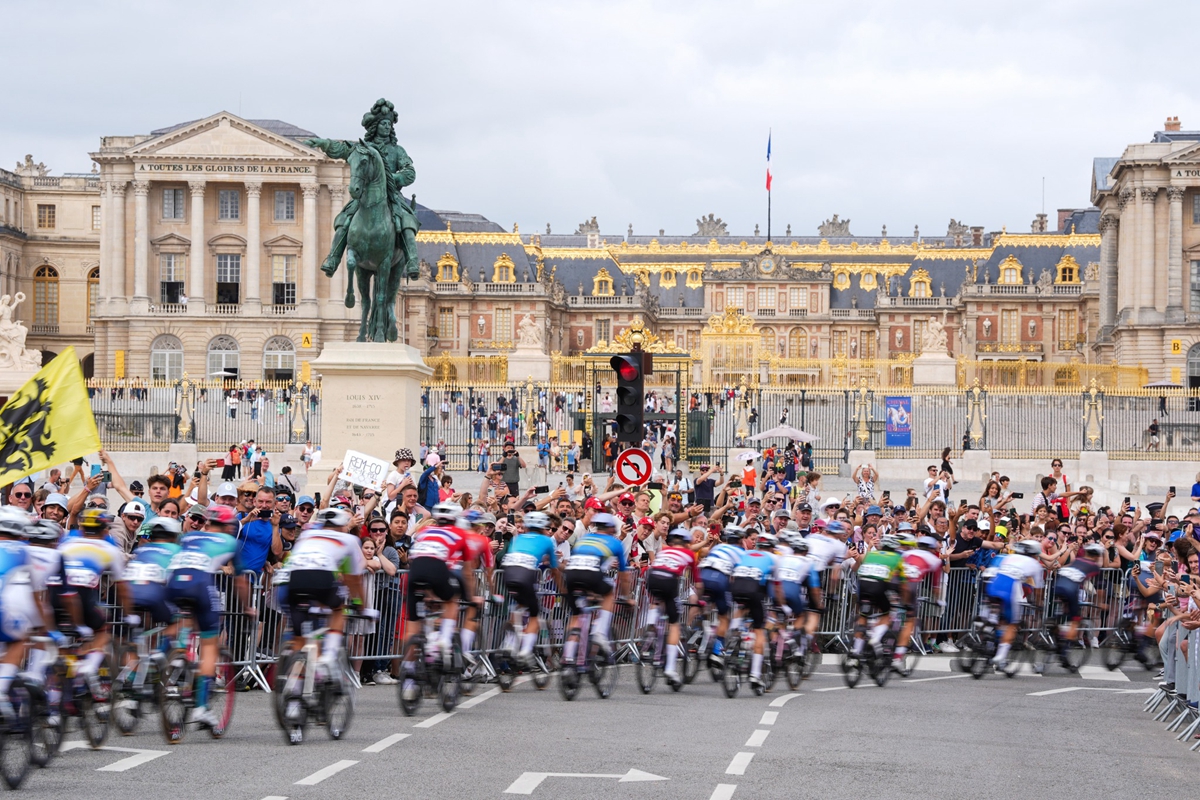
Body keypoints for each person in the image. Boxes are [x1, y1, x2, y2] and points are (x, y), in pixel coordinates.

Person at [165, 504, 253, 728]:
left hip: (174, 583)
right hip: (200, 585)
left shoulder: (189, 536)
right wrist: (248, 608)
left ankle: (171, 655)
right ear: (229, 526)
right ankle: (201, 707)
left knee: (181, 621)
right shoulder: (230, 542)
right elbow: (241, 581)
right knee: (210, 642)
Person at [562, 513, 632, 655]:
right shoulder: (614, 543)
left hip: (571, 575)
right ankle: (599, 632)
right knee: (609, 593)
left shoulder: (584, 539)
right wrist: (627, 598)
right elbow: (624, 577)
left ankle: (567, 657)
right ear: (611, 528)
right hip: (591, 575)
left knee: (577, 615)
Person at [499, 510, 562, 666]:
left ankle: (509, 643)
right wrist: (564, 590)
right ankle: (526, 650)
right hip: (524, 574)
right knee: (535, 614)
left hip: (507, 573)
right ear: (543, 527)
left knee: (517, 606)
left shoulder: (518, 538)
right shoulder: (546, 541)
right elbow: (554, 569)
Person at [645, 526, 700, 684]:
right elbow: (697, 578)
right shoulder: (688, 553)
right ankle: (670, 668)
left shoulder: (664, 551)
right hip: (669, 580)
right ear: (686, 543)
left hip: (652, 577)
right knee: (674, 623)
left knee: (657, 599)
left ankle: (651, 623)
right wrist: (701, 598)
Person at [982, 539, 1046, 671]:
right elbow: (1039, 589)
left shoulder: (1010, 557)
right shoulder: (1035, 564)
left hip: (993, 586)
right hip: (1009, 591)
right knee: (1013, 623)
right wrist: (1039, 603)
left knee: (999, 619)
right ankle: (1000, 657)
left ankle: (988, 637)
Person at [730, 531, 778, 690]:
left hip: (736, 587)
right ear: (771, 548)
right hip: (754, 590)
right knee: (759, 631)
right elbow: (776, 585)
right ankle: (755, 675)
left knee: (743, 607)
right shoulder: (773, 557)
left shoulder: (747, 553)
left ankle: (735, 631)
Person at [850, 534, 904, 658]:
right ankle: (875, 638)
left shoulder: (871, 554)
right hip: (879, 586)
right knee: (887, 613)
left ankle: (856, 651)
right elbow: (903, 582)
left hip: (862, 585)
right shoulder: (897, 557)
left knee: (863, 616)